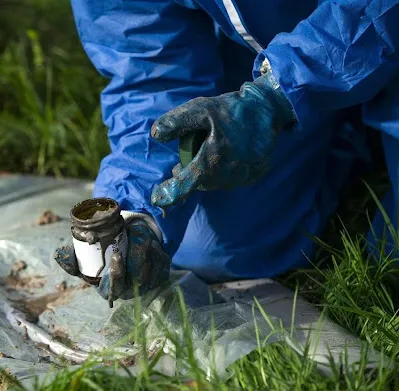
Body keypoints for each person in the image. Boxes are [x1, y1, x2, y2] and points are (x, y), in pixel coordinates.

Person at [54, 0, 399, 303]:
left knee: (390, 260)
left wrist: (282, 92)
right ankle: (347, 138)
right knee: (209, 248)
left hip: (372, 24)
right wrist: (136, 209)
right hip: (275, 53)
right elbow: (148, 69)